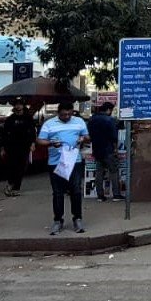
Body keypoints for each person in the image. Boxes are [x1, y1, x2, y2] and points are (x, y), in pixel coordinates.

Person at [38, 101, 89, 235]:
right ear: (58, 113)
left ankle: (77, 218)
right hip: (56, 162)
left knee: (76, 191)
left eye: (69, 114)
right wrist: (51, 143)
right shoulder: (49, 124)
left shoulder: (79, 121)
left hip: (74, 161)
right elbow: (40, 140)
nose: (66, 116)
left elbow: (88, 137)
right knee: (58, 192)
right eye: (63, 114)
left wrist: (82, 139)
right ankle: (58, 220)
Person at [87, 101, 124, 201]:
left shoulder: (92, 119)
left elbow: (88, 135)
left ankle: (100, 195)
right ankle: (116, 195)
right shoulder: (109, 120)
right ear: (108, 110)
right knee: (113, 171)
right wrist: (116, 148)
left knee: (99, 172)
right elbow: (114, 137)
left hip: (96, 148)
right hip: (108, 149)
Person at [1, 104, 38, 198]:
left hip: (24, 146)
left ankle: (16, 188)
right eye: (16, 105)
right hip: (11, 147)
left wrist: (33, 143)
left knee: (21, 167)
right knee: (11, 166)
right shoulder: (10, 119)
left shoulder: (28, 119)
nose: (18, 107)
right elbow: (4, 134)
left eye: (20, 105)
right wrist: (3, 148)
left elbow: (33, 132)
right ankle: (10, 183)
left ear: (23, 107)